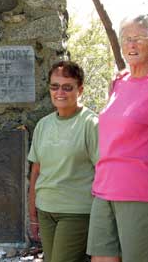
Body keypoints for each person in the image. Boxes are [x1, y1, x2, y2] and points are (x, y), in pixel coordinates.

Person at [86, 14, 148, 262]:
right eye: (127, 39)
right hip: (104, 190)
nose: (131, 45)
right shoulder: (119, 83)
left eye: (139, 38)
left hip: (141, 192)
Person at [28, 61, 99, 262]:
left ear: (80, 89)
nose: (60, 92)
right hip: (46, 210)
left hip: (76, 212)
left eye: (67, 87)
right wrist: (32, 214)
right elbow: (36, 171)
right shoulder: (43, 125)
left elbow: (103, 172)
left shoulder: (91, 124)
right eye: (54, 86)